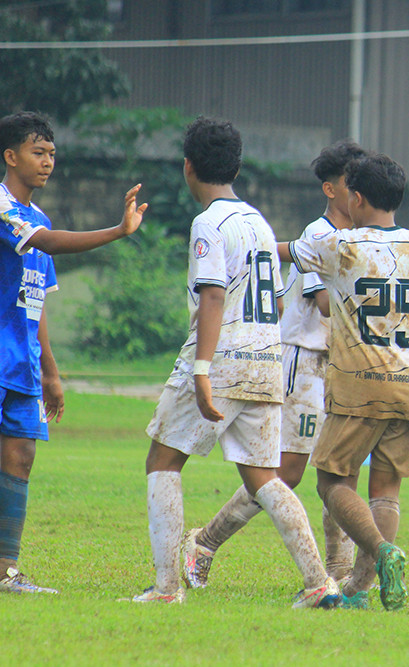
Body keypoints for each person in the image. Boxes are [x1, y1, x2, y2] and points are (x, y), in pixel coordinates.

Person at [130, 117, 336, 608]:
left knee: (163, 460)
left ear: (187, 167)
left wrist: (201, 369)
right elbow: (278, 301)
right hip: (266, 360)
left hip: (221, 358)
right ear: (237, 166)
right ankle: (319, 582)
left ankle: (165, 590)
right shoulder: (259, 223)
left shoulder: (209, 223)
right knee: (265, 476)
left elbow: (214, 295)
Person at [279, 153, 409, 611]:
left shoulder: (341, 245)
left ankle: (382, 553)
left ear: (356, 197)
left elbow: (281, 252)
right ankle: (360, 588)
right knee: (386, 489)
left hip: (358, 385)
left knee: (333, 482)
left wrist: (249, 243)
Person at [179, 140, 368, 590]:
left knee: (341, 469)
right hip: (301, 363)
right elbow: (324, 303)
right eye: (352, 184)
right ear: (331, 189)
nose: (360, 193)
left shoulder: (357, 240)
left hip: (341, 365)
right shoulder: (320, 237)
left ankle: (339, 570)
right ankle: (204, 542)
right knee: (287, 473)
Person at [0, 111, 146, 595]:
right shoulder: (5, 210)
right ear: (11, 156)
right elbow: (48, 244)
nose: (47, 162)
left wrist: (51, 372)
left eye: (52, 153)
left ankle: (5, 573)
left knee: (20, 457)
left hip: (21, 363)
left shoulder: (38, 216)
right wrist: (117, 231)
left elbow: (35, 299)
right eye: (38, 152)